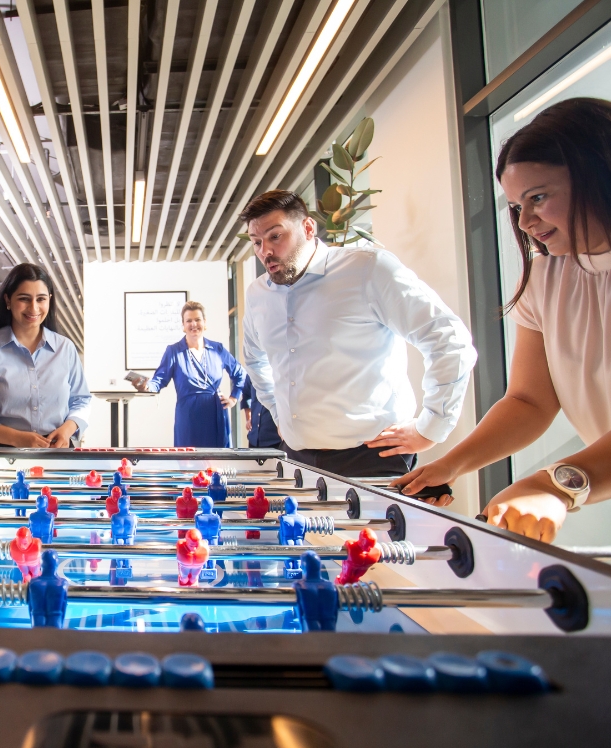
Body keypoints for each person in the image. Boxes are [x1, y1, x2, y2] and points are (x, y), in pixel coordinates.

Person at [394, 98, 611, 543]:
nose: (526, 220)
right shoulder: (548, 276)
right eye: (515, 206)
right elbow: (530, 401)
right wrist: (451, 464)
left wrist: (557, 484)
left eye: (538, 198)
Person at [240, 190, 476, 477]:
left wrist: (431, 427)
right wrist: (279, 414)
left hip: (373, 457)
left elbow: (448, 338)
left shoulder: (368, 269)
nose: (265, 251)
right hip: (296, 458)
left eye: (275, 236)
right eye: (256, 242)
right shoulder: (257, 295)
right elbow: (254, 360)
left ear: (308, 228)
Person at [0, 263, 91, 458]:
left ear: (49, 301)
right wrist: (17, 438)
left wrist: (68, 429)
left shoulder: (65, 348)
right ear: (8, 300)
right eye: (24, 299)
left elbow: (82, 399)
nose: (34, 308)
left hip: (56, 453)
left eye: (41, 299)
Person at [131, 301, 246, 447]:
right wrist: (146, 386)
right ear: (183, 326)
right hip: (188, 416)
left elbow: (240, 374)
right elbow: (158, 380)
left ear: (204, 322)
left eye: (197, 319)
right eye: (189, 321)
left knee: (217, 463)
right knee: (188, 463)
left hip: (215, 413)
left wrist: (233, 398)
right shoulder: (173, 351)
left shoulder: (217, 349)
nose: (194, 324)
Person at [240, 375, 280, 448]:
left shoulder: (279, 371)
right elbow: (246, 395)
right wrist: (248, 418)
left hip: (275, 440)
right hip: (254, 439)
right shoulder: (253, 372)